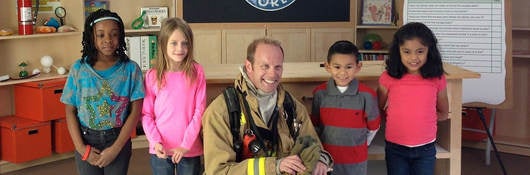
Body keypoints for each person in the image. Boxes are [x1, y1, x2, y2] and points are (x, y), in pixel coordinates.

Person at [202, 38, 333, 175]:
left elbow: (310, 143)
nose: (272, 74)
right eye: (265, 66)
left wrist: (320, 160)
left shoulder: (291, 106)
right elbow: (217, 171)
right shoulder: (221, 111)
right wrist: (274, 166)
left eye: (278, 67)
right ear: (249, 66)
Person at [60, 9, 144, 175]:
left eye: (114, 34)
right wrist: (82, 148)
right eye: (101, 35)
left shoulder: (131, 69)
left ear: (120, 36)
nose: (108, 40)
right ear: (91, 37)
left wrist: (116, 148)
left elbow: (136, 111)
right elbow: (70, 110)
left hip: (118, 139)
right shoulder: (79, 69)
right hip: (86, 140)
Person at [377, 22, 449, 175]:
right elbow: (378, 109)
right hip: (395, 147)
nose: (413, 57)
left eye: (420, 51)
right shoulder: (388, 78)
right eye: (407, 51)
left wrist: (423, 119)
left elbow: (443, 112)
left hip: (426, 148)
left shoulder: (437, 78)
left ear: (429, 50)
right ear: (399, 51)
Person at [142, 17, 206, 175]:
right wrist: (155, 142)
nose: (180, 48)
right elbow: (146, 114)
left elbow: (200, 111)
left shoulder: (196, 71)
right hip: (161, 149)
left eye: (185, 43)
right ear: (163, 44)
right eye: (174, 43)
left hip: (189, 149)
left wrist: (186, 144)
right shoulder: (152, 75)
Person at [311, 40, 381, 175]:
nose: (343, 73)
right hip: (326, 161)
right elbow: (315, 126)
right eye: (337, 67)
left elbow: (373, 127)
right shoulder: (319, 93)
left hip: (356, 161)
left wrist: (361, 145)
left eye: (349, 67)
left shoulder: (367, 95)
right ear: (327, 67)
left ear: (358, 67)